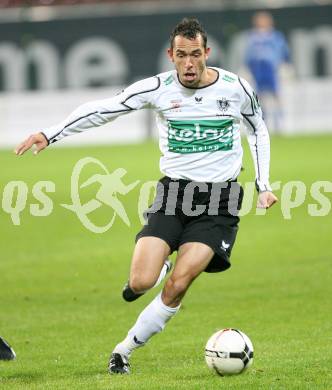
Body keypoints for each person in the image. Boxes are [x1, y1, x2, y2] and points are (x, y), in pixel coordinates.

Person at [15, 17, 278, 374]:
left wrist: (263, 185)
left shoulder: (236, 89)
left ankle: (123, 351)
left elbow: (258, 129)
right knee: (140, 281)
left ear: (207, 54)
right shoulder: (158, 88)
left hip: (221, 201)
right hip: (173, 194)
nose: (189, 63)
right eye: (181, 55)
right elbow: (103, 109)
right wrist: (50, 134)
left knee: (179, 284)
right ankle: (160, 264)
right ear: (171, 55)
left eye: (196, 54)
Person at [245, 11, 290, 132]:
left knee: (276, 97)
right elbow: (248, 55)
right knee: (259, 99)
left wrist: (283, 66)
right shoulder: (252, 37)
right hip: (258, 72)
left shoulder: (276, 36)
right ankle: (263, 125)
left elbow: (284, 53)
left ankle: (279, 124)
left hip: (272, 71)